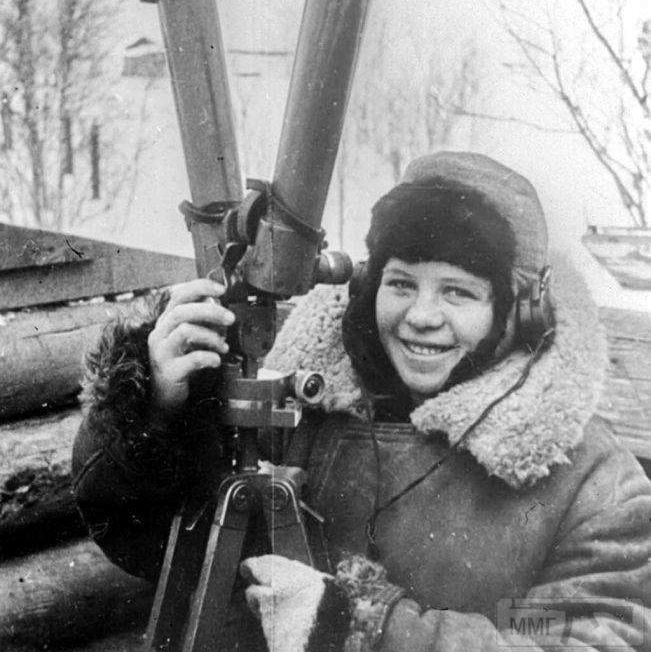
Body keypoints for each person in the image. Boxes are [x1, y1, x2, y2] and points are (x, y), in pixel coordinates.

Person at [72, 151, 651, 652]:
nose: (421, 316)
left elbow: (590, 638)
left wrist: (362, 626)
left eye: (458, 292)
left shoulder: (590, 481)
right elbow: (142, 545)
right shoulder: (298, 412)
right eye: (402, 284)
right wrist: (156, 410)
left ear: (520, 313)